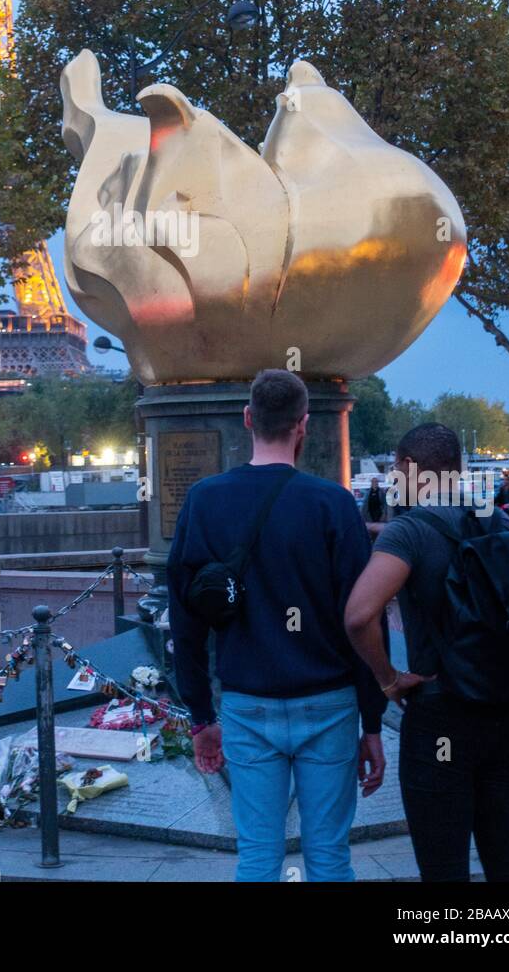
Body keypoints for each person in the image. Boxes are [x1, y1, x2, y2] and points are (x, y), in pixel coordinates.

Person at [168, 369, 386, 883]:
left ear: (248, 419)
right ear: (303, 425)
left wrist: (201, 716)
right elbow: (362, 618)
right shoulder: (332, 503)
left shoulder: (204, 499)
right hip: (329, 702)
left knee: (258, 857)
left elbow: (186, 620)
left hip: (247, 703)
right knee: (330, 855)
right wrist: (372, 721)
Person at [345, 423, 509, 883]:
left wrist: (388, 678)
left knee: (444, 869)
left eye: (394, 467)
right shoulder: (499, 520)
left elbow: (358, 615)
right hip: (507, 714)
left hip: (440, 713)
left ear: (411, 468)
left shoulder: (408, 532)